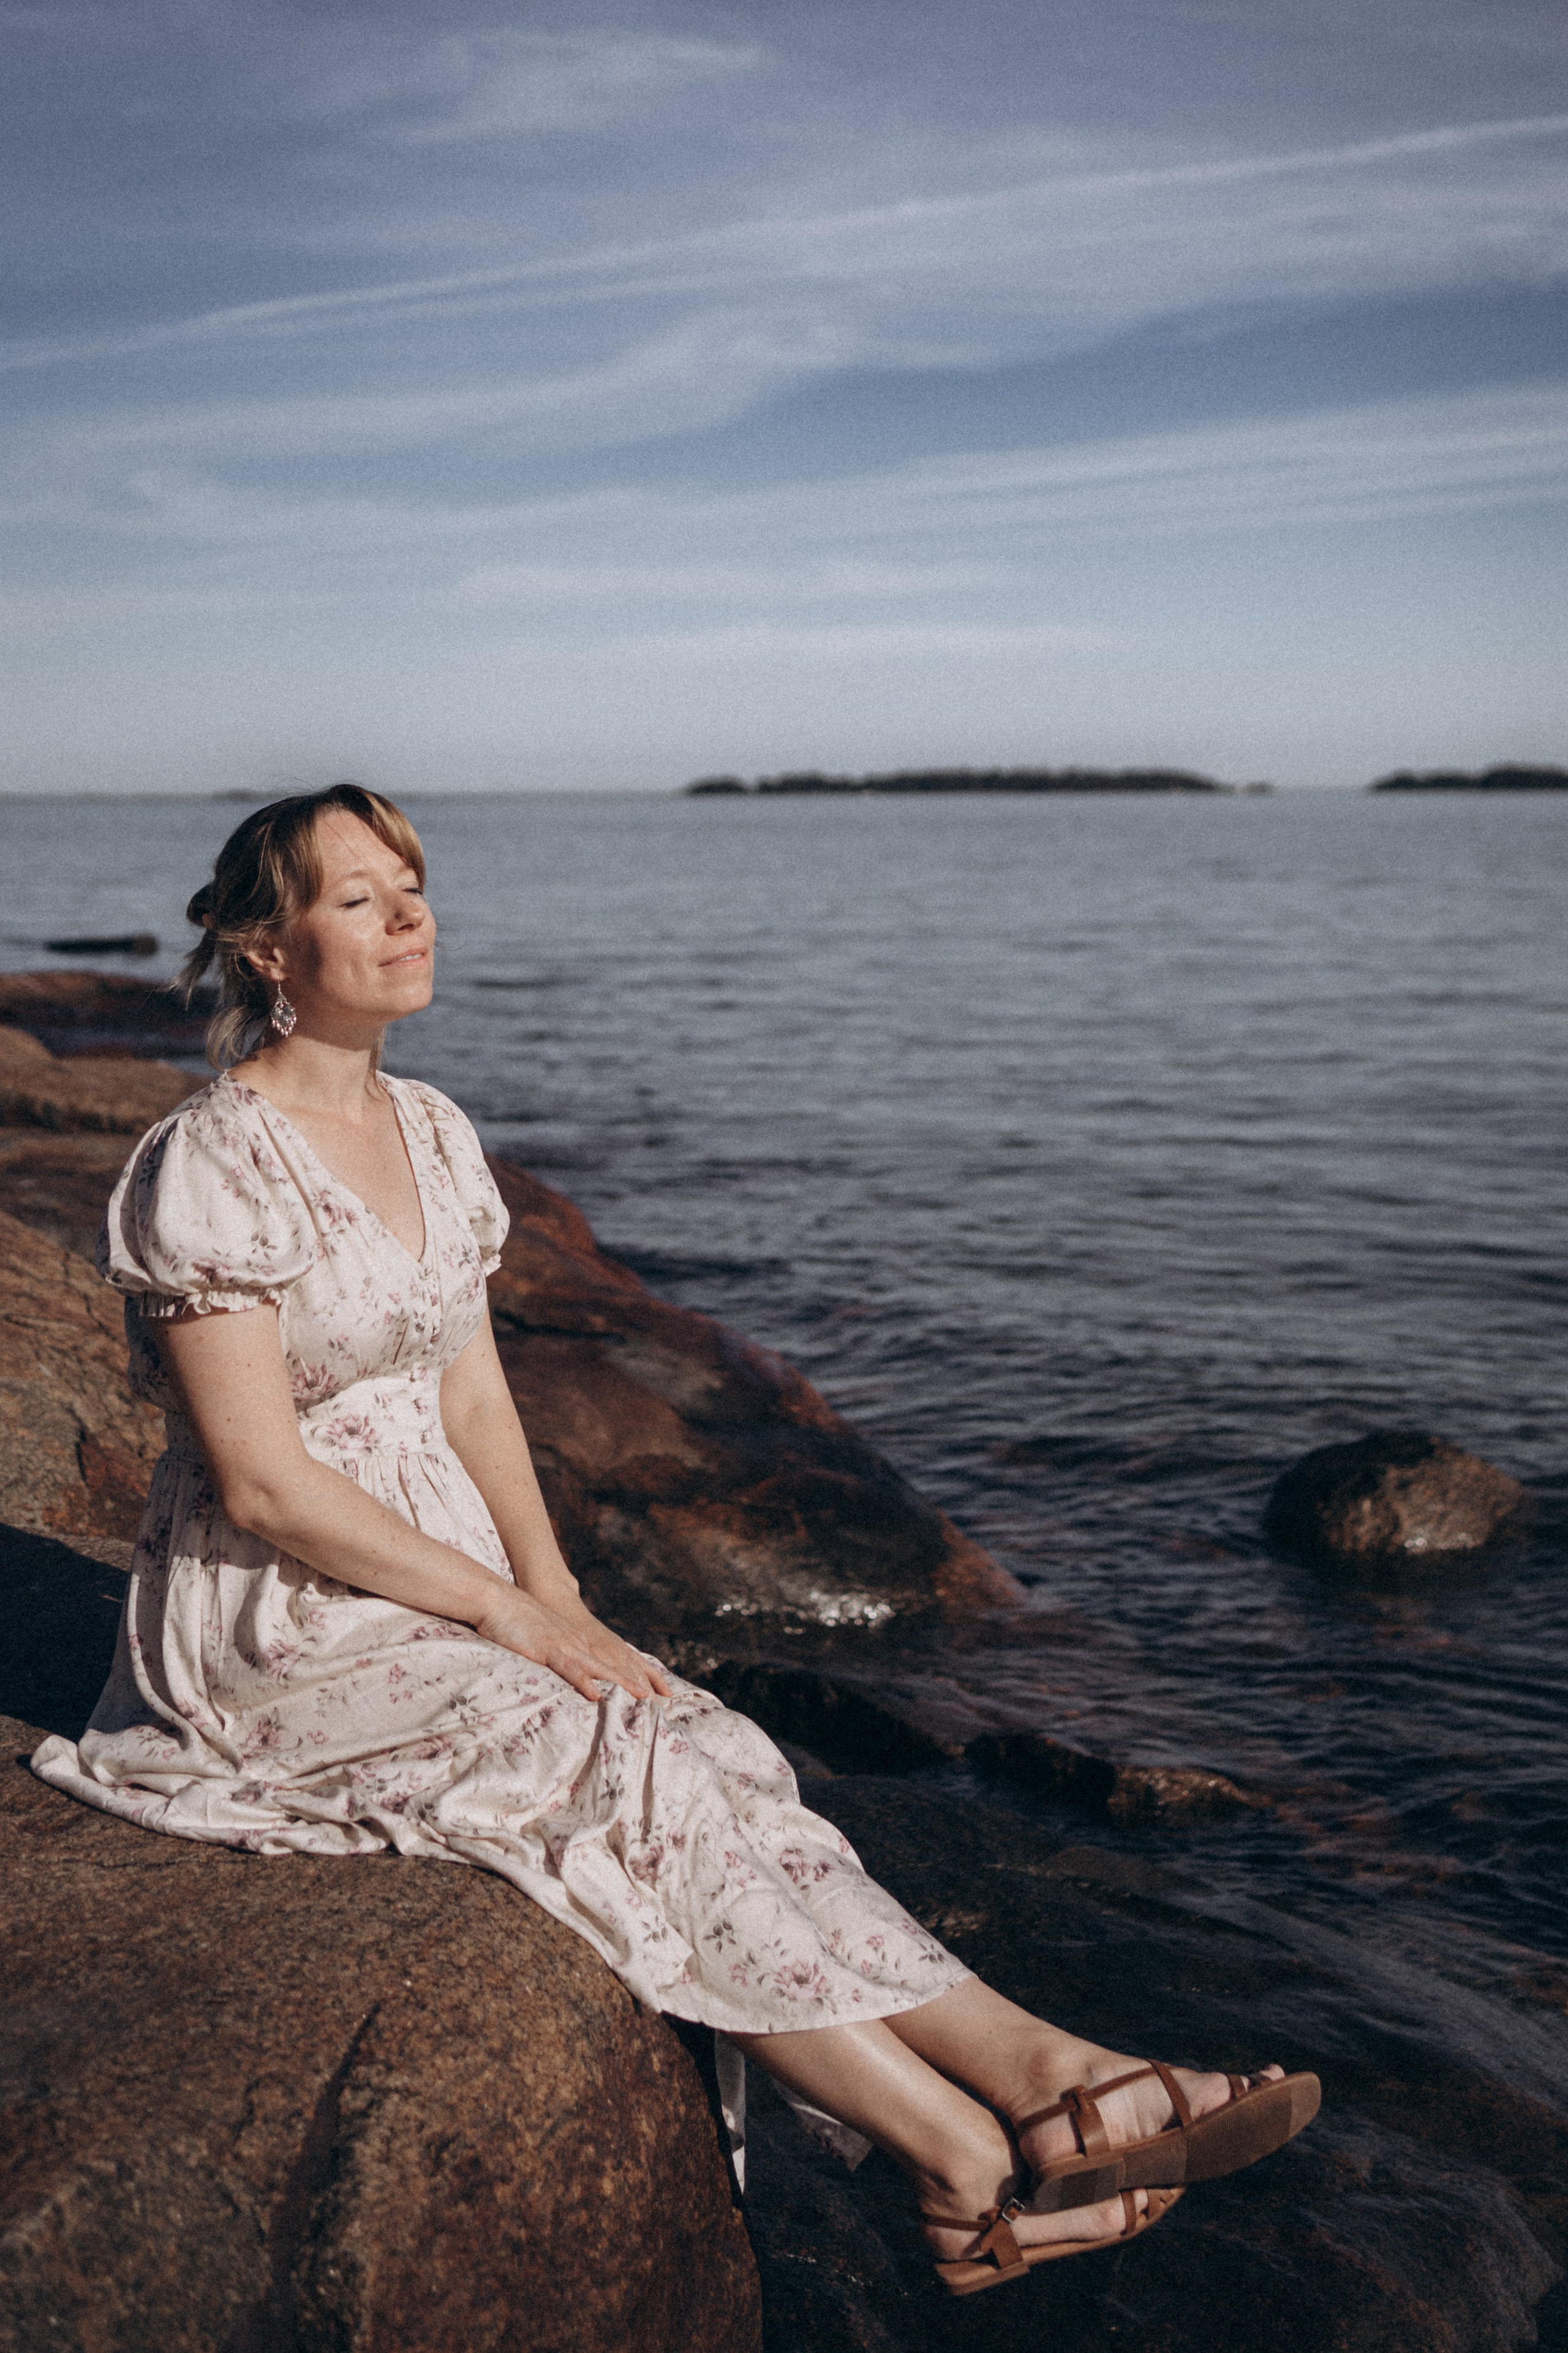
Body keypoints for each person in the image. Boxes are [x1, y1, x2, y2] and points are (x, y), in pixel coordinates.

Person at [32, 785, 1318, 2299]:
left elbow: (472, 1394)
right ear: (267, 948)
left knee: (705, 1744)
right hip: (283, 1620)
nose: (409, 915)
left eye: (414, 885)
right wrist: (511, 1621)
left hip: (444, 1579)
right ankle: (959, 2147)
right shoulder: (212, 1159)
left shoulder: (431, 1129)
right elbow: (262, 1486)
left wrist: (559, 1597)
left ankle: (1044, 2075)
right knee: (605, 1765)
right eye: (359, 897)